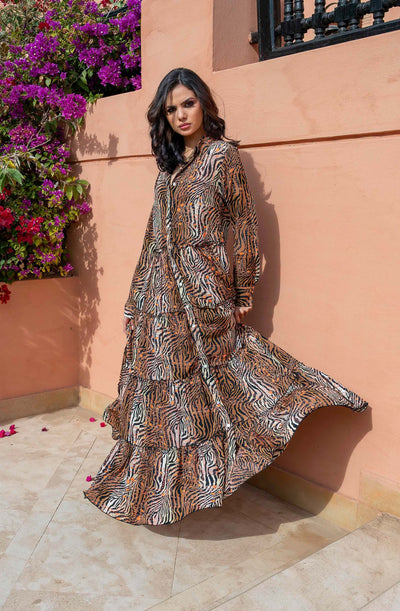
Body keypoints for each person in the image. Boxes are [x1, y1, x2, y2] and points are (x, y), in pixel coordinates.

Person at [83, 67, 368, 525]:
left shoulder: (222, 157)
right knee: (163, 392)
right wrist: (134, 301)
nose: (181, 115)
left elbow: (245, 225)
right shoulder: (168, 168)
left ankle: (207, 473)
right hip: (158, 296)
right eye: (171, 109)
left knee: (217, 377)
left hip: (203, 291)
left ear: (203, 103)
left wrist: (242, 289)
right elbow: (152, 238)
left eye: (188, 103)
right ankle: (158, 492)